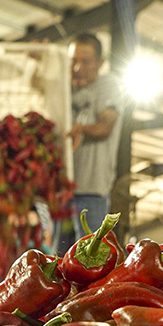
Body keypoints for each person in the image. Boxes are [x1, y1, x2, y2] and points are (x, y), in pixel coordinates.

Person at [57, 33, 123, 253]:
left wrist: (81, 129)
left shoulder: (108, 85)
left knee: (89, 256)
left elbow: (106, 127)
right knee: (56, 257)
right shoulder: (64, 88)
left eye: (85, 61)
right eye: (73, 60)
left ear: (100, 63)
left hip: (92, 191)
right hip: (62, 191)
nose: (77, 68)